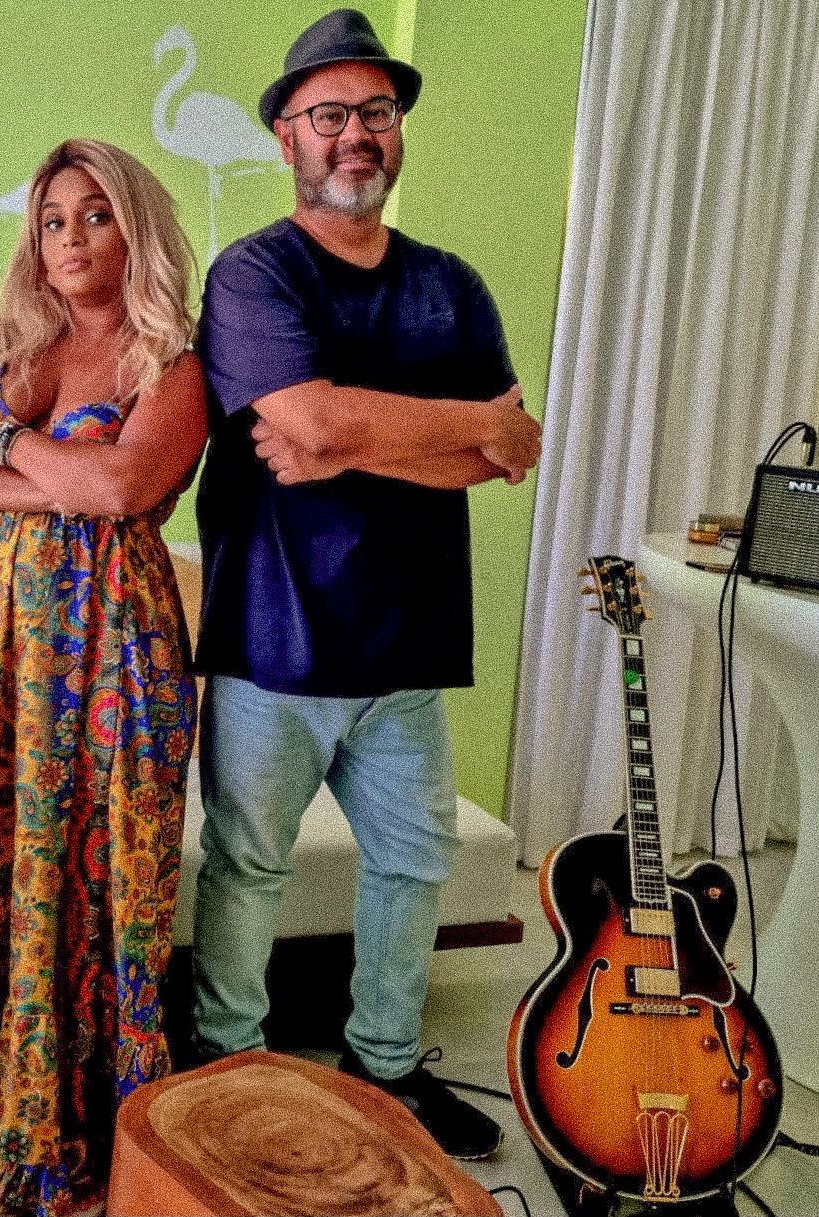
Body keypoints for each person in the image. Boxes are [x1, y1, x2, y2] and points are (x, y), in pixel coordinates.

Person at [192, 9, 541, 1161]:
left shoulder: (450, 285)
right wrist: (417, 427)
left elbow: (508, 448)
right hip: (274, 640)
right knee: (248, 865)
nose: (355, 133)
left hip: (407, 648)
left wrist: (347, 439)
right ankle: (226, 1069)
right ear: (286, 136)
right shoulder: (252, 274)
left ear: (397, 131)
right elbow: (308, 418)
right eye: (329, 113)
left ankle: (385, 1066)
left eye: (375, 112)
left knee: (411, 862)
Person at [0, 138, 207, 1216]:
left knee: (85, 872)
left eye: (95, 215)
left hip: (108, 649)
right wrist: (57, 476)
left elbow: (124, 487)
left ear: (135, 229)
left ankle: (60, 1124)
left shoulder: (174, 363)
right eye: (53, 219)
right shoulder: (12, 340)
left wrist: (4, 439)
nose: (70, 238)